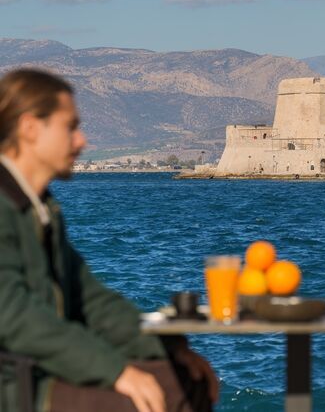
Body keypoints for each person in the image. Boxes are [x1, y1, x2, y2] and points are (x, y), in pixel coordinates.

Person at [0, 69, 220, 412]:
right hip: (17, 386)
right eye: (70, 127)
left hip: (45, 372)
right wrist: (116, 371)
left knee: (183, 379)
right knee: (155, 394)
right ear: (30, 128)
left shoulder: (40, 209)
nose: (81, 141)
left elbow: (92, 300)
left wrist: (169, 350)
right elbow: (14, 316)